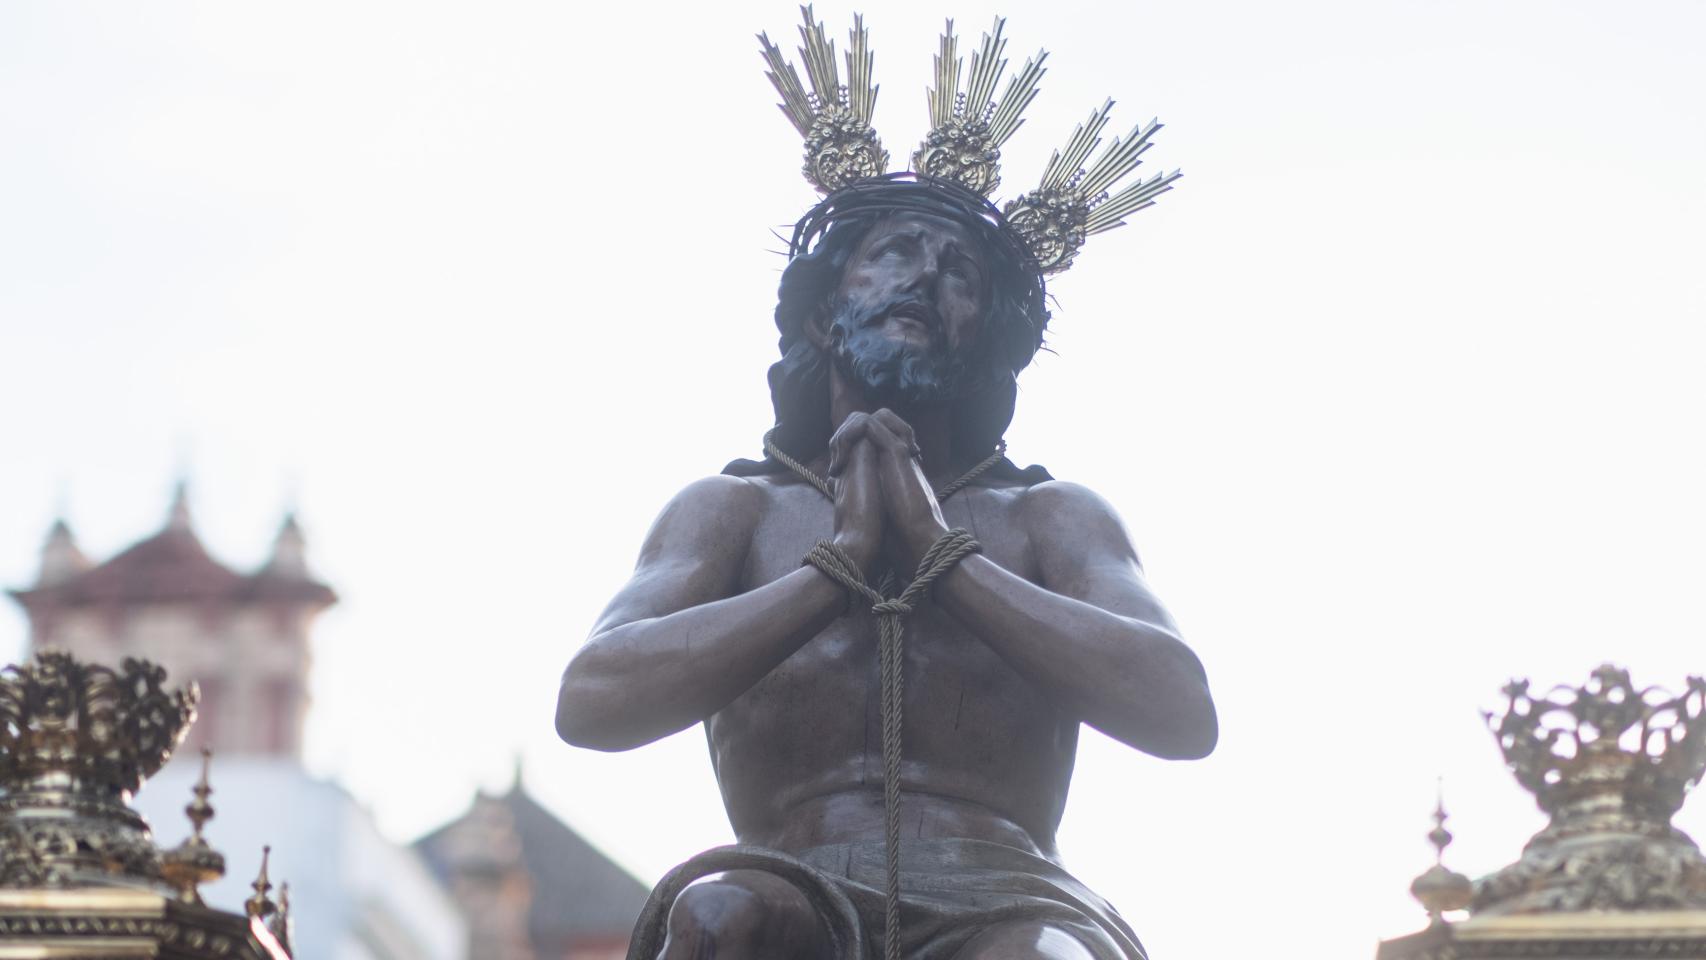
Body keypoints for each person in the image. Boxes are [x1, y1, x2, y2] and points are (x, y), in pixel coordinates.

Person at [556, 14, 1215, 960]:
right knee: (717, 918)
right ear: (829, 303)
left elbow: (1181, 709)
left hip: (1009, 894)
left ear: (982, 337)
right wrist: (836, 567)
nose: (927, 280)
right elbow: (592, 698)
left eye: (960, 276)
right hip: (790, 880)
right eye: (896, 253)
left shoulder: (1050, 517)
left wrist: (946, 557)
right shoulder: (732, 510)